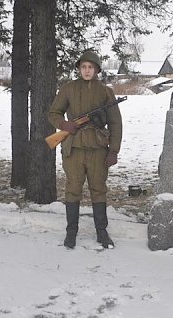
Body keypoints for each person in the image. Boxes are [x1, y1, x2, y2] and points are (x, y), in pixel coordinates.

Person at [48, 50, 123, 249]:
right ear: (79, 69)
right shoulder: (68, 88)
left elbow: (116, 123)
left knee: (98, 189)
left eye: (91, 67)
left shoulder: (106, 92)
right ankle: (71, 232)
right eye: (84, 67)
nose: (87, 71)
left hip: (98, 149)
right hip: (74, 148)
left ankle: (102, 231)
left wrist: (113, 150)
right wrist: (64, 125)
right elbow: (54, 113)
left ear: (97, 69)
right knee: (73, 190)